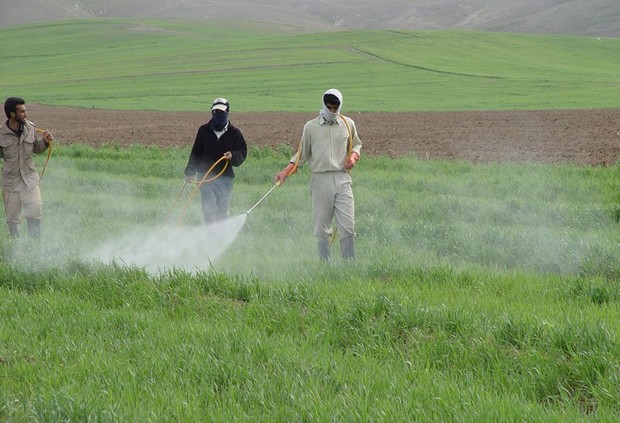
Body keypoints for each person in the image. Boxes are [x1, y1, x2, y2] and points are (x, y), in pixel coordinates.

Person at [275, 88, 362, 261]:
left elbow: (356, 145)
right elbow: (301, 155)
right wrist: (286, 172)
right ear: (323, 105)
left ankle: (351, 265)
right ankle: (324, 264)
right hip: (320, 180)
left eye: (335, 108)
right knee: (322, 226)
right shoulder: (310, 127)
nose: (331, 111)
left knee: (347, 224)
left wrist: (353, 157)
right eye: (328, 107)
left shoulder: (348, 124)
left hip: (342, 178)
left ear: (340, 107)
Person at [185, 97, 247, 224]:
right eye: (216, 112)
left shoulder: (234, 133)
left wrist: (233, 155)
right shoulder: (204, 130)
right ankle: (209, 231)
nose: (218, 115)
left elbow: (242, 152)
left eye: (221, 112)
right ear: (212, 112)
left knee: (222, 210)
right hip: (205, 176)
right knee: (208, 207)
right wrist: (189, 171)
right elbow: (196, 152)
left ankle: (220, 234)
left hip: (225, 178)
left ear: (227, 112)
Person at [0, 97, 52, 238]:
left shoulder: (31, 128)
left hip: (29, 179)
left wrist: (45, 142)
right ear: (12, 114)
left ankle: (34, 245)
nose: (25, 114)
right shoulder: (1, 134)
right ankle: (16, 247)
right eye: (22, 111)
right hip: (11, 182)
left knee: (35, 209)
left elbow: (36, 148)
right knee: (12, 217)